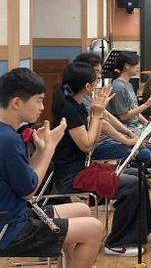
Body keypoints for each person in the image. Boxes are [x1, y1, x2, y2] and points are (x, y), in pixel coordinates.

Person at [0, 68, 104, 266]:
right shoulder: (8, 140)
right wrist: (50, 148)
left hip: (13, 215)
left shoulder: (7, 135)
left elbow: (24, 178)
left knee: (82, 209)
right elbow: (28, 192)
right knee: (94, 229)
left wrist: (40, 152)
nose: (42, 107)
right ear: (16, 103)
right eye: (38, 100)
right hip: (10, 229)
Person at [51, 62, 151, 257]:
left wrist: (97, 113)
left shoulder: (76, 106)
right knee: (131, 184)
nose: (98, 85)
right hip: (71, 177)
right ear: (87, 86)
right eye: (96, 81)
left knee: (137, 174)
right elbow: (87, 145)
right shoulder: (69, 109)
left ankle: (139, 233)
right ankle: (116, 243)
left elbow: (94, 137)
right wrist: (97, 113)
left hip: (82, 168)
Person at [73, 53, 151, 168]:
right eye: (96, 71)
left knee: (148, 148)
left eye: (100, 72)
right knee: (144, 153)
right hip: (96, 145)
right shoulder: (79, 99)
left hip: (103, 139)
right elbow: (103, 123)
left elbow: (108, 117)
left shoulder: (91, 95)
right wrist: (127, 140)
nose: (99, 76)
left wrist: (129, 133)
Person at [107, 51, 151, 188]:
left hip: (136, 126)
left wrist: (148, 124)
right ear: (126, 66)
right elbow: (124, 116)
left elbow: (135, 111)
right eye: (135, 64)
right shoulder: (118, 86)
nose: (138, 67)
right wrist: (146, 105)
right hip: (126, 129)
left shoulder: (129, 85)